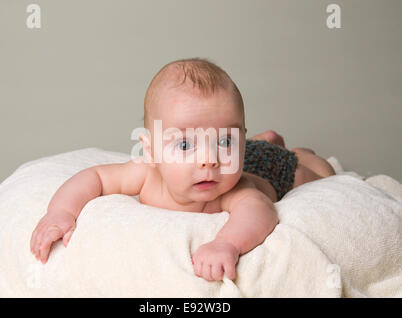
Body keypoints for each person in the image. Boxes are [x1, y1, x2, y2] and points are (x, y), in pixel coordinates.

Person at [30, 58, 335, 281]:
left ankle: (294, 152)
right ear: (150, 150)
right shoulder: (146, 173)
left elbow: (261, 211)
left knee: (317, 172)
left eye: (226, 140)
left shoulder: (235, 188)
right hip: (249, 153)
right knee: (259, 149)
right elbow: (95, 177)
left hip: (271, 168)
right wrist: (62, 212)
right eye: (186, 145)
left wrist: (225, 243)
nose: (208, 160)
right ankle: (263, 140)